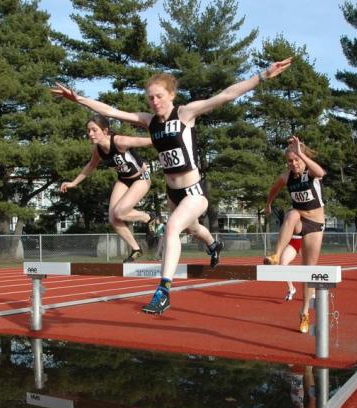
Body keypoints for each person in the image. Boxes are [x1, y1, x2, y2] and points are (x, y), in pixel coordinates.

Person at [52, 57, 293, 315]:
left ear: (171, 95)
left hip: (194, 191)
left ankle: (163, 291)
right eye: (150, 98)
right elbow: (110, 111)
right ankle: (214, 245)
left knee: (172, 228)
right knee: (192, 228)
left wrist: (263, 76)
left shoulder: (186, 113)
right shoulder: (149, 121)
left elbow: (226, 95)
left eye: (158, 96)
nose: (154, 102)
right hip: (172, 193)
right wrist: (78, 99)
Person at [61, 114, 155, 263]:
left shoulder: (119, 141)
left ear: (105, 131)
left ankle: (148, 217)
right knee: (113, 218)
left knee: (120, 212)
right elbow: (91, 165)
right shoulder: (98, 149)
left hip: (141, 178)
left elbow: (151, 141)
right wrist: (74, 182)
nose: (90, 134)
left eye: (94, 130)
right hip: (123, 180)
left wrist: (168, 137)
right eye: (88, 130)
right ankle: (136, 249)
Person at [264, 136, 325, 334]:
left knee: (308, 270)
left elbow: (320, 172)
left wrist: (301, 154)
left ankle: (305, 312)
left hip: (315, 224)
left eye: (296, 160)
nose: (293, 164)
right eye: (290, 161)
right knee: (291, 213)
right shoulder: (286, 176)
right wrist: (268, 203)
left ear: (302, 158)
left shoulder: (310, 173)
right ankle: (275, 254)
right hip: (299, 220)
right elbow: (274, 188)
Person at [265, 222, 302, 301]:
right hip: (293, 241)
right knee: (283, 264)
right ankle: (291, 288)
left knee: (309, 266)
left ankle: (312, 293)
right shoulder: (289, 213)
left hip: (306, 240)